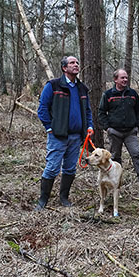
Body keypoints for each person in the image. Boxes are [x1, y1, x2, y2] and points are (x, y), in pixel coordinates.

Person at [36, 56, 94, 211]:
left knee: (70, 168)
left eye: (77, 63)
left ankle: (64, 198)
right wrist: (49, 128)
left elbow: (88, 111)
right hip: (57, 136)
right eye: (72, 63)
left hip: (76, 137)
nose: (76, 65)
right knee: (52, 168)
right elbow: (42, 109)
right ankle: (43, 201)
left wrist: (89, 126)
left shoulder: (82, 88)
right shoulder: (53, 86)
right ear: (64, 68)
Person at [98, 69, 139, 187]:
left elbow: (138, 110)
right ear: (115, 79)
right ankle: (116, 181)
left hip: (130, 132)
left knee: (136, 154)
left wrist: (136, 125)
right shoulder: (108, 95)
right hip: (114, 132)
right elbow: (101, 112)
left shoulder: (133, 94)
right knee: (115, 157)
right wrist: (107, 128)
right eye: (122, 78)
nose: (125, 80)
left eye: (126, 78)